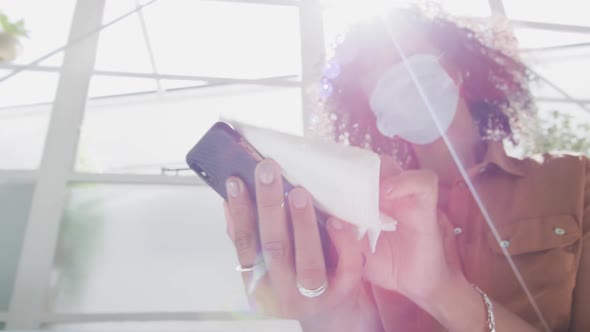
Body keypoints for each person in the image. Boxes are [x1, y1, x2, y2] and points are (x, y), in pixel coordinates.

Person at [222, 5, 589, 332]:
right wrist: (327, 318)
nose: (400, 78)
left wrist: (443, 292)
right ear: (378, 118)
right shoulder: (359, 219)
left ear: (454, 72)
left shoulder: (575, 182)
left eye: (408, 56)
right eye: (380, 78)